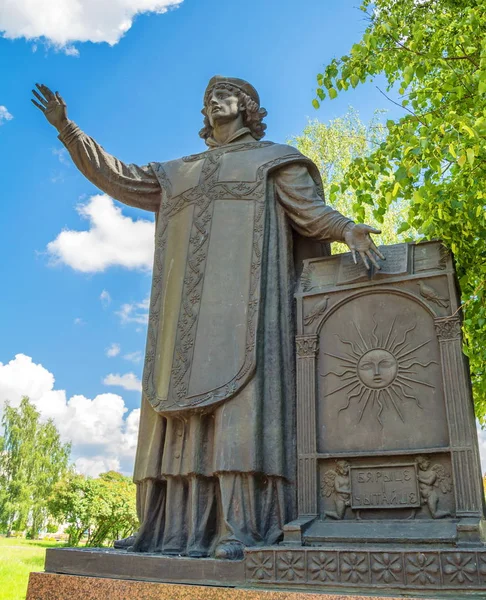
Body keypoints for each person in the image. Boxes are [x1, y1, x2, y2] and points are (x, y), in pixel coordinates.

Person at [32, 76, 383, 559]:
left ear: (248, 107)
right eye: (208, 97)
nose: (214, 101)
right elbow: (117, 176)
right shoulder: (177, 172)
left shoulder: (273, 161)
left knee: (241, 421)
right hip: (182, 323)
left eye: (226, 94)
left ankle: (239, 530)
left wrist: (348, 229)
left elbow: (312, 213)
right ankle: (164, 530)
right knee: (171, 420)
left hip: (249, 317)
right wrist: (69, 131)